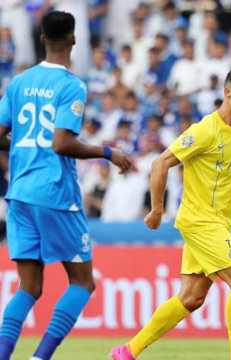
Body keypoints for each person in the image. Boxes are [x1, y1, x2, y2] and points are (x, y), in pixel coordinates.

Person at [111, 69, 231, 360]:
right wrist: (156, 210)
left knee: (191, 298)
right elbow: (160, 163)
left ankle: (127, 352)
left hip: (219, 224)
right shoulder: (205, 131)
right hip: (199, 220)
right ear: (228, 93)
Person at [0, 11, 133, 360]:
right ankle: (39, 358)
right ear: (73, 40)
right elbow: (61, 144)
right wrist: (108, 152)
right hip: (54, 192)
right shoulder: (72, 85)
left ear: (42, 38)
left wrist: (21, 143)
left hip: (19, 193)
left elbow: (0, 136)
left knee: (29, 287)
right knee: (82, 282)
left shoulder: (19, 83)